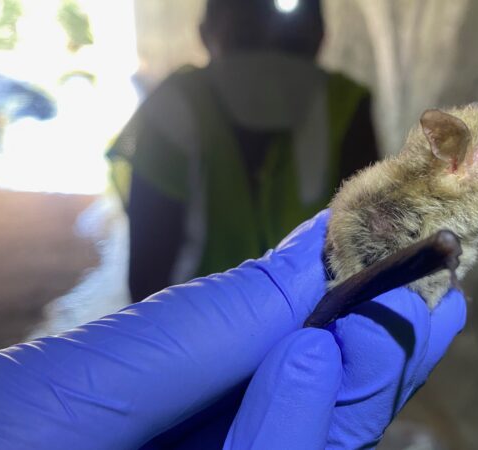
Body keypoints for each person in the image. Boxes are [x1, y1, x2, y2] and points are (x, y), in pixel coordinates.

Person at [0, 211, 467, 449]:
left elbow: (151, 233)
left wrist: (148, 319)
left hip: (299, 297)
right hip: (273, 302)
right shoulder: (338, 99)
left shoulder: (183, 100)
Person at [108, 0, 380, 303]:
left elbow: (145, 273)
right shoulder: (345, 103)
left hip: (193, 328)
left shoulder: (170, 106)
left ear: (205, 32)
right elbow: (368, 250)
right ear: (319, 33)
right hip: (311, 325)